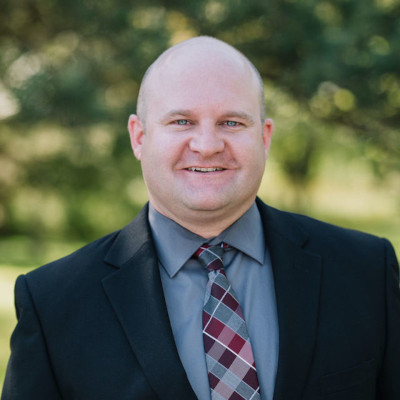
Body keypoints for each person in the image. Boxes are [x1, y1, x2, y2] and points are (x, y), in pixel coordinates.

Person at [2, 36, 399, 400]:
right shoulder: (53, 304)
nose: (207, 146)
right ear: (139, 137)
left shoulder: (366, 272)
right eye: (182, 122)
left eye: (232, 122)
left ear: (264, 137)